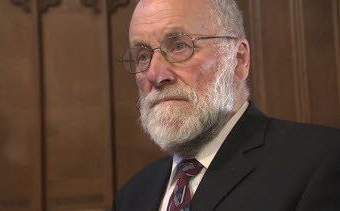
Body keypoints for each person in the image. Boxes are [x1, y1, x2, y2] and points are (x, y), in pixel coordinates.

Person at [112, 0, 340, 210]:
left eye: (179, 46)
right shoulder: (132, 196)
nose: (155, 75)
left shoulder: (321, 162)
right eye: (142, 56)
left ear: (239, 59)